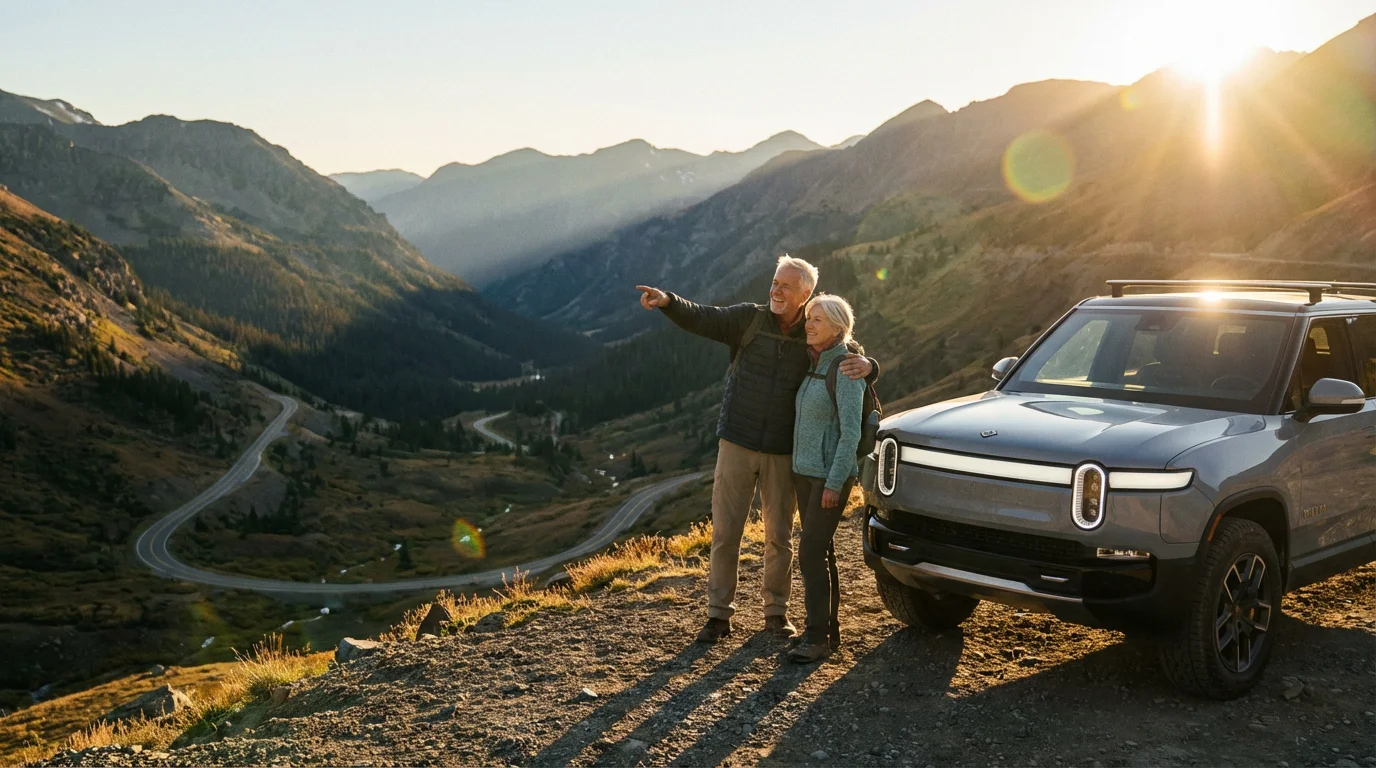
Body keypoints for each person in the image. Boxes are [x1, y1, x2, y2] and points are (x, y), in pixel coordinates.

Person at [636, 256, 877, 643]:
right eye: (774, 283)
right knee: (726, 533)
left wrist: (871, 365)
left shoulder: (813, 330)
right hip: (737, 440)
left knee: (778, 535)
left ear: (805, 294)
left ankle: (775, 614)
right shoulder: (748, 318)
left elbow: (848, 355)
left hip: (784, 451)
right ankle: (718, 615)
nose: (775, 291)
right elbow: (704, 317)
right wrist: (668, 302)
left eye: (785, 286)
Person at [787, 294, 864, 664]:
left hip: (827, 479)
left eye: (818, 319)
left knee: (810, 554)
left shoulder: (847, 370)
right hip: (806, 475)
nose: (809, 324)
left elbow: (850, 434)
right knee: (823, 553)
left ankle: (816, 638)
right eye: (809, 318)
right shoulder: (815, 362)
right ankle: (825, 632)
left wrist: (835, 483)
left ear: (837, 326)